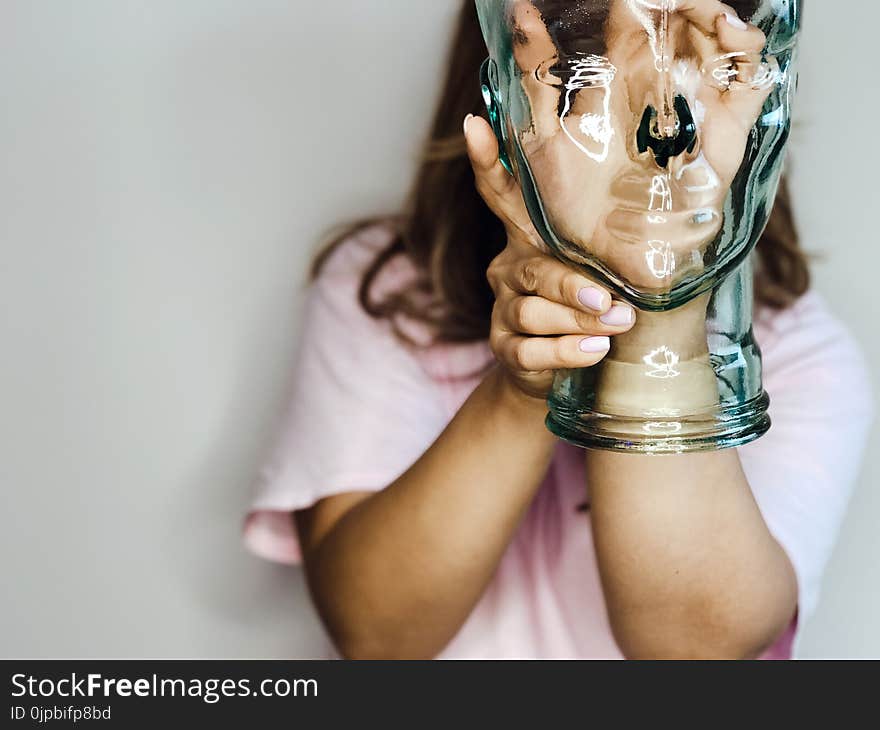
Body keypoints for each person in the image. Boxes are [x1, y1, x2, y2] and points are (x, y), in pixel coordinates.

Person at [243, 1, 873, 659]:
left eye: (684, 54)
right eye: (591, 60)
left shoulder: (804, 358)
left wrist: (659, 296)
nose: (651, 110)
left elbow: (692, 651)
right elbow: (376, 633)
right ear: (512, 74)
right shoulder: (390, 297)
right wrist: (523, 385)